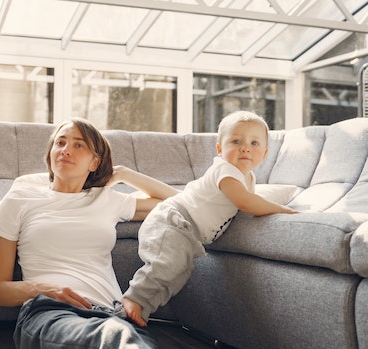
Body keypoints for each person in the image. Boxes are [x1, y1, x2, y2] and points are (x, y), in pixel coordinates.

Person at [0, 117, 220, 349]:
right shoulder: (21, 198)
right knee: (114, 344)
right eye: (60, 142)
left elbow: (182, 201)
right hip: (50, 315)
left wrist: (123, 173)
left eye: (78, 145)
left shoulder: (107, 199)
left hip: (117, 316)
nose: (65, 150)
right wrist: (44, 288)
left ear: (95, 163)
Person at [123, 110, 298, 327]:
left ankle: (140, 309)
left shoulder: (248, 178)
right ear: (219, 149)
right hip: (173, 220)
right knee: (167, 264)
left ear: (264, 154)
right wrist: (282, 210)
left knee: (178, 271)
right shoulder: (226, 170)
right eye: (236, 141)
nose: (245, 147)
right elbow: (245, 202)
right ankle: (133, 299)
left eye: (254, 143)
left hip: (187, 231)